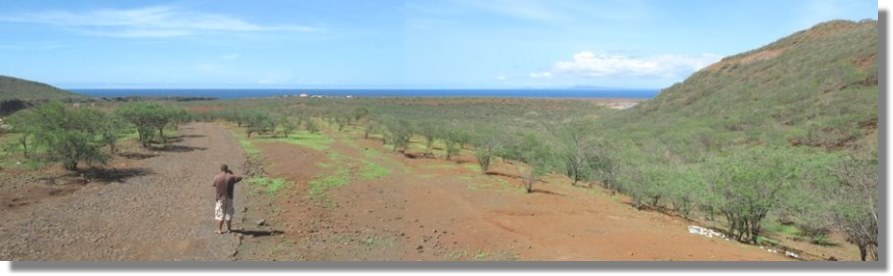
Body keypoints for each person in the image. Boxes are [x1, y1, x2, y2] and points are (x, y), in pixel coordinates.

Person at [212, 164, 243, 234]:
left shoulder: (217, 177)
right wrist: (231, 173)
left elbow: (213, 184)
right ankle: (229, 229)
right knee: (229, 213)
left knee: (220, 213)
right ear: (227, 169)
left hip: (220, 198)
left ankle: (219, 230)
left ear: (221, 169)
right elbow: (240, 178)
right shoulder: (231, 176)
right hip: (229, 197)